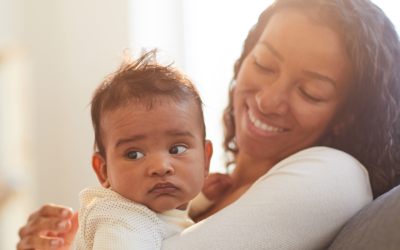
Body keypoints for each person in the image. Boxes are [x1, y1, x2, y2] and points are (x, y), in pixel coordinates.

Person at [17, 0, 400, 249]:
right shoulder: (187, 190)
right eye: (263, 64)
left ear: (349, 112)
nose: (268, 100)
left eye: (311, 92)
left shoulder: (336, 176)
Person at [73, 50, 230, 250]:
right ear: (104, 171)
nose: (161, 167)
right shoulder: (122, 222)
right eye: (134, 154)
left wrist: (199, 201)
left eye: (177, 149)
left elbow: (166, 218)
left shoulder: (144, 213)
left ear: (206, 159)